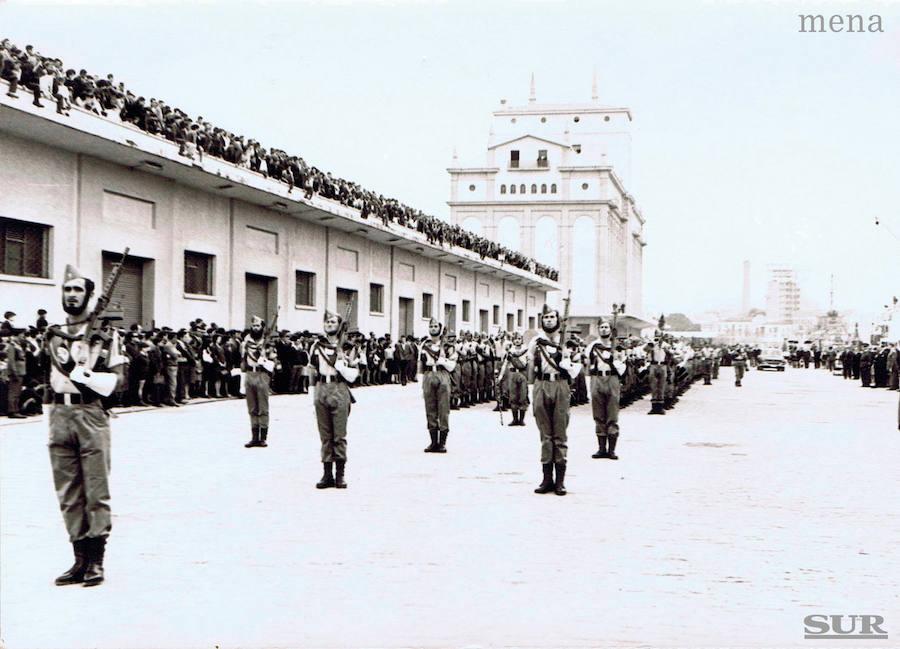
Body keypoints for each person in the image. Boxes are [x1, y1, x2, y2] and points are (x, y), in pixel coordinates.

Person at [45, 264, 125, 587]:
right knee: (68, 491)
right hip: (58, 414)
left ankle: (96, 561)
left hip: (90, 412)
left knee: (95, 489)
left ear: (89, 296)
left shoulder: (106, 334)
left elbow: (120, 380)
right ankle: (78, 559)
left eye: (78, 290)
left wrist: (87, 376)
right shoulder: (54, 334)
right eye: (67, 289)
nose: (71, 295)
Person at [528, 305, 581, 496]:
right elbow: (531, 366)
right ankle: (546, 479)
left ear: (558, 320)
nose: (549, 320)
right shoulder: (536, 342)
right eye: (546, 317)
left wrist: (568, 362)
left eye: (552, 317)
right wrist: (530, 389)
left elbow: (577, 368)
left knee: (560, 432)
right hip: (541, 385)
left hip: (560, 385)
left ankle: (560, 481)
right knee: (545, 434)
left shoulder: (567, 341)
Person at [308, 310, 359, 489]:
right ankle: (327, 474)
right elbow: (312, 371)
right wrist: (311, 395)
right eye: (327, 322)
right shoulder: (316, 346)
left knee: (339, 435)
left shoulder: (348, 347)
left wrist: (342, 367)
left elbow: (354, 375)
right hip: (321, 388)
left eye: (332, 322)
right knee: (325, 435)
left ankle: (340, 475)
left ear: (339, 326)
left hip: (339, 388)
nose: (329, 324)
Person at [584, 319, 627, 460]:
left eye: (606, 327)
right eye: (601, 327)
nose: (603, 329)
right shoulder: (592, 346)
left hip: (612, 379)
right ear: (598, 329)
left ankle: (612, 450)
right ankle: (601, 448)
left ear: (610, 329)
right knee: (598, 414)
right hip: (597, 379)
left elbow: (623, 367)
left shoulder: (617, 346)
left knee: (612, 414)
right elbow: (587, 364)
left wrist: (616, 359)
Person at [419, 318, 457, 453]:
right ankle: (433, 442)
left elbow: (452, 366)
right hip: (428, 375)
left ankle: (442, 443)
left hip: (442, 374)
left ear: (440, 329)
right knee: (430, 409)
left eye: (436, 326)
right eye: (431, 326)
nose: (433, 328)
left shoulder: (447, 346)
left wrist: (442, 360)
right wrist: (421, 383)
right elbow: (420, 365)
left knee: (443, 409)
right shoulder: (424, 344)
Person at [241, 317, 276, 447]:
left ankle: (263, 437)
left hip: (262, 374)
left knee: (263, 407)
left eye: (258, 326)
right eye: (254, 326)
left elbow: (274, 361)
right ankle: (254, 437)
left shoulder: (268, 343)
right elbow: (243, 360)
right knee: (252, 407)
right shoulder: (246, 342)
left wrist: (264, 358)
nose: (255, 328)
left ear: (262, 327)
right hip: (250, 374)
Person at [501, 333, 529, 426]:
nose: (517, 340)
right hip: (512, 374)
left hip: (522, 373)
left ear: (522, 340)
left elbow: (526, 363)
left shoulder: (525, 350)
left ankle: (521, 420)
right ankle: (515, 419)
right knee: (513, 396)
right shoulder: (510, 351)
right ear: (513, 340)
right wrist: (500, 376)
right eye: (515, 339)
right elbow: (505, 364)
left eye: (519, 339)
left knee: (523, 396)